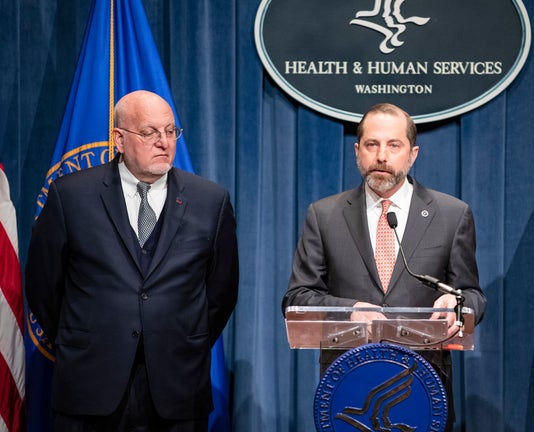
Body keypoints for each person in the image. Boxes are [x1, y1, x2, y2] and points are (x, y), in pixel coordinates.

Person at [25, 90, 239, 431]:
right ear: (119, 139)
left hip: (177, 388)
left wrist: (177, 337)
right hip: (90, 385)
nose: (163, 142)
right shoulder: (71, 196)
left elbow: (221, 294)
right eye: (150, 132)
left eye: (170, 131)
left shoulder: (210, 201)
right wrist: (89, 337)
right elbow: (42, 287)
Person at [282, 103, 486, 430]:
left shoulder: (451, 214)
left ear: (412, 153)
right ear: (357, 151)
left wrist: (457, 304)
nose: (381, 156)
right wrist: (349, 310)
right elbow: (297, 299)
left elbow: (472, 294)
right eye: (371, 145)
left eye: (394, 145)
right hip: (348, 385)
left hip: (423, 384)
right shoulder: (324, 215)